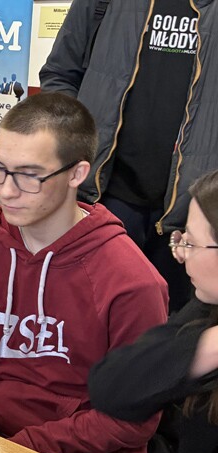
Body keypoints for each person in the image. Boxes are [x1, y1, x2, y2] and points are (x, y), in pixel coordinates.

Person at [0, 92, 169, 453]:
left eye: (29, 175)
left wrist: (21, 450)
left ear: (77, 174)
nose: (6, 191)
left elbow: (131, 420)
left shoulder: (133, 282)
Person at [39, 0, 217, 313]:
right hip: (105, 197)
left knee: (177, 330)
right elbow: (60, 74)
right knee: (89, 317)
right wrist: (75, 144)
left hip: (195, 214)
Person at [90, 169, 218, 453]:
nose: (181, 254)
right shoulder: (206, 309)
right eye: (182, 240)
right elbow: (112, 388)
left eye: (191, 243)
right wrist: (207, 347)